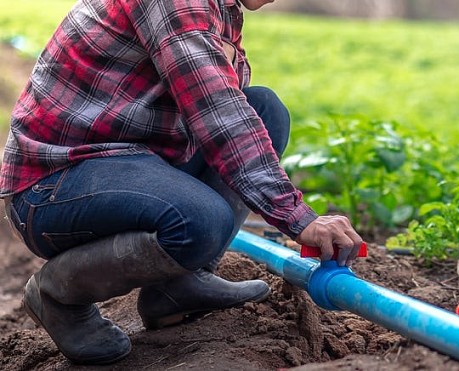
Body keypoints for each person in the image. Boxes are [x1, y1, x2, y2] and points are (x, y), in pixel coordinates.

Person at [0, 0, 363, 365]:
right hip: (55, 182)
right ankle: (57, 295)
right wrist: (299, 218)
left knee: (264, 109)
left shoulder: (223, 7)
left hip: (129, 158)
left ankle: (178, 287)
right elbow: (220, 116)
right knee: (201, 221)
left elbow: (227, 95)